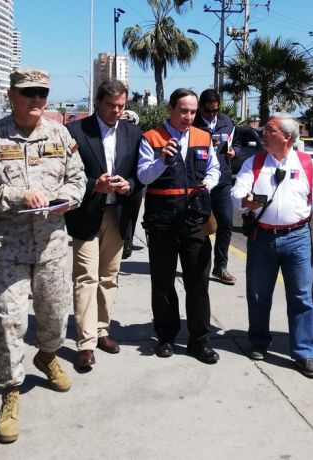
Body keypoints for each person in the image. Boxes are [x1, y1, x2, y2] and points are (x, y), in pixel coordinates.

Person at [0, 68, 87, 443]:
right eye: (28, 92)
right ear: (12, 96)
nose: (36, 100)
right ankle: (9, 392)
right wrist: (19, 195)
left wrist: (67, 199)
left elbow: (77, 178)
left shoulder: (59, 133)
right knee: (7, 322)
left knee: (53, 316)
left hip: (51, 246)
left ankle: (47, 356)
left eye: (42, 93)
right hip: (9, 250)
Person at [231, 114, 313, 378]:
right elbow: (236, 192)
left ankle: (305, 353)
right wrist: (245, 200)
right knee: (258, 293)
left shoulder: (308, 164)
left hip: (297, 238)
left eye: (269, 129)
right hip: (262, 239)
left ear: (287, 136)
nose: (263, 133)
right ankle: (259, 342)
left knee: (301, 296)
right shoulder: (254, 163)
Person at [137, 88, 222, 364]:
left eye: (193, 111)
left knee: (197, 282)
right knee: (162, 282)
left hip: (195, 220)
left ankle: (200, 340)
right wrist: (161, 160)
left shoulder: (202, 137)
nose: (189, 116)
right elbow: (143, 176)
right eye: (183, 111)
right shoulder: (151, 138)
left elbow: (214, 168)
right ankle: (166, 336)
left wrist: (209, 182)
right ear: (170, 109)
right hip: (162, 221)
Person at [64, 79, 143, 370]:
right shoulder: (75, 131)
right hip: (86, 214)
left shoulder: (133, 133)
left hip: (117, 215)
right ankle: (85, 343)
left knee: (109, 277)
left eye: (122, 105)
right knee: (86, 276)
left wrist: (129, 185)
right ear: (98, 102)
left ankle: (101, 330)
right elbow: (63, 175)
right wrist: (92, 185)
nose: (117, 111)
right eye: (111, 105)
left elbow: (139, 175)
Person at [192, 89, 238, 285]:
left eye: (215, 110)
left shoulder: (227, 122)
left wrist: (234, 152)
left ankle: (221, 266)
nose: (212, 114)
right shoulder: (192, 124)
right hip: (201, 183)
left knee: (226, 223)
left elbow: (237, 144)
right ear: (201, 107)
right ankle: (199, 265)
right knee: (202, 226)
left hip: (223, 181)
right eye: (208, 111)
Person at [119, 109, 143, 259]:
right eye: (125, 122)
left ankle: (128, 241)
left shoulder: (138, 136)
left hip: (134, 183)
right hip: (119, 184)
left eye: (130, 122)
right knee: (123, 214)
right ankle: (124, 243)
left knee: (133, 214)